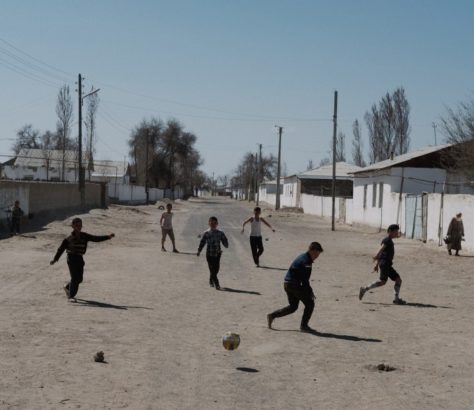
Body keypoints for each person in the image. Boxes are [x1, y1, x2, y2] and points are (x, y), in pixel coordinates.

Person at [50, 217, 115, 302]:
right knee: (74, 278)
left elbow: (95, 238)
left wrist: (108, 237)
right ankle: (71, 296)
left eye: (80, 225)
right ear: (73, 226)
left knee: (79, 279)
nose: (79, 227)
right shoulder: (68, 239)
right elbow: (60, 249)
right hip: (71, 258)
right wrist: (55, 259)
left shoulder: (84, 236)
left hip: (80, 259)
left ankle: (67, 287)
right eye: (77, 225)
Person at [267, 242, 323, 332]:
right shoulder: (307, 262)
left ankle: (272, 315)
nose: (317, 256)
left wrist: (308, 290)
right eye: (316, 254)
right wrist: (310, 292)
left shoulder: (302, 256)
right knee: (310, 304)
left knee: (293, 307)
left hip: (287, 284)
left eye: (318, 255)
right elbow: (305, 281)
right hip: (294, 285)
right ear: (311, 250)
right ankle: (304, 326)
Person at [359, 224, 406, 305]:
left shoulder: (389, 240)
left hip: (387, 264)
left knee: (398, 280)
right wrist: (376, 256)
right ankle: (364, 289)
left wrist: (377, 264)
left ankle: (396, 299)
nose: (397, 233)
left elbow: (382, 253)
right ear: (390, 231)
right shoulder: (387, 240)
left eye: (397, 232)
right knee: (382, 281)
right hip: (385, 264)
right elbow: (381, 249)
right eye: (395, 232)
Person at [197, 216, 229, 290]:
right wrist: (199, 250)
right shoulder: (206, 233)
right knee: (212, 269)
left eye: (214, 223)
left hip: (217, 254)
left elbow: (224, 240)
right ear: (209, 223)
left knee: (216, 269)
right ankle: (217, 284)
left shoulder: (220, 233)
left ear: (217, 224)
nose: (213, 224)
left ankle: (211, 279)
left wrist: (226, 244)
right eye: (211, 223)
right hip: (209, 254)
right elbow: (202, 242)